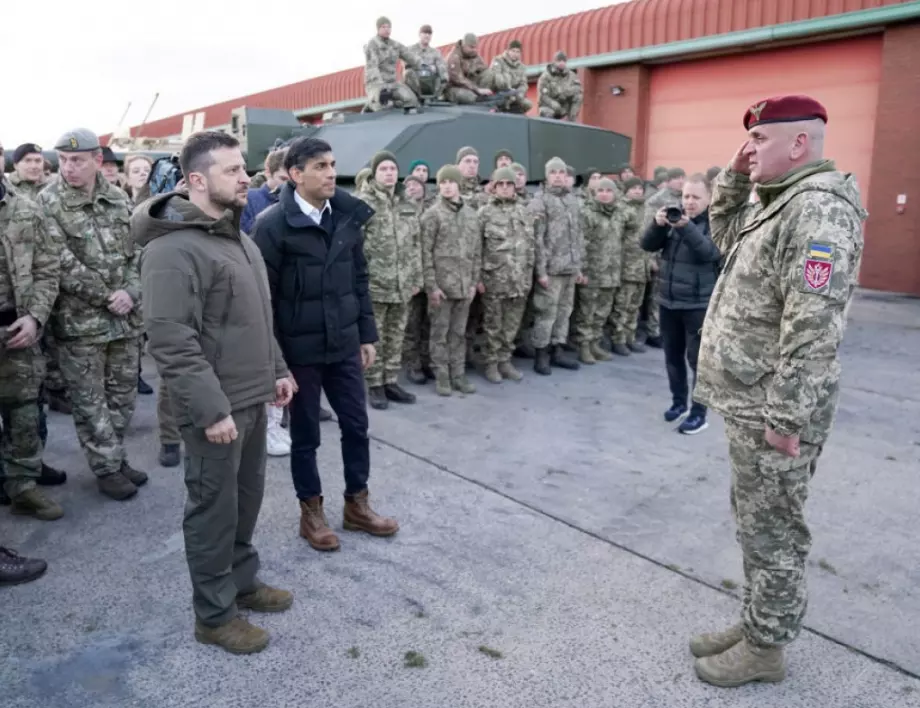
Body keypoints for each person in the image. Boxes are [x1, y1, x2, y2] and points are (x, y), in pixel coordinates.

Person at [691, 96, 866, 687]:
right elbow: (723, 237)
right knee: (754, 522)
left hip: (773, 407)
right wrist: (734, 179)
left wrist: (787, 419)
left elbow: (814, 326)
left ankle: (766, 648)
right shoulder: (780, 203)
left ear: (799, 144)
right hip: (751, 401)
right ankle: (757, 622)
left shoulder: (817, 211)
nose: (749, 148)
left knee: (774, 529)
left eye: (760, 140)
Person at [136, 130, 295, 655]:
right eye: (232, 170)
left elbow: (257, 317)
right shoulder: (172, 250)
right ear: (197, 180)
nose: (245, 176)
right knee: (212, 509)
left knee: (244, 503)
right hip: (217, 410)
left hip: (251, 398)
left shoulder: (238, 240)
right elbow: (172, 340)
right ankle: (213, 615)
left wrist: (277, 369)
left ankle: (241, 582)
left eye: (244, 168)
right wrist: (209, 409)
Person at [252, 137, 400, 553]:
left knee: (356, 425)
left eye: (333, 164)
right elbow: (265, 300)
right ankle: (310, 512)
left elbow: (358, 280)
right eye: (320, 166)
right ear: (296, 174)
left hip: (344, 344)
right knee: (305, 436)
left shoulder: (347, 216)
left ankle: (357, 504)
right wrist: (276, 362)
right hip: (300, 352)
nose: (332, 172)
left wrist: (366, 334)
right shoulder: (271, 225)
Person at [39, 129, 147, 501]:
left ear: (97, 161)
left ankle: (115, 457)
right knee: (89, 402)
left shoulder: (118, 198)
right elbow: (58, 261)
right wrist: (107, 296)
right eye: (64, 160)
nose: (68, 167)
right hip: (79, 324)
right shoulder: (47, 201)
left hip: (125, 319)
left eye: (77, 160)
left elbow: (136, 254)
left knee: (122, 396)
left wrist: (131, 292)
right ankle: (105, 468)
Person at [0, 174, 64, 521]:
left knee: (24, 413)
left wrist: (36, 317)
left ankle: (23, 485)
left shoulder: (27, 209)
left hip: (17, 331)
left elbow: (47, 267)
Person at [640, 173, 720, 434]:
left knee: (698, 362)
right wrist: (657, 224)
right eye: (686, 196)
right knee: (672, 357)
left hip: (697, 305)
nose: (689, 202)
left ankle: (699, 414)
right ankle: (678, 403)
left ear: (709, 199)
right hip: (668, 301)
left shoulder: (716, 223)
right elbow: (646, 244)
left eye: (696, 197)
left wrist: (686, 227)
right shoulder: (673, 220)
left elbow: (708, 253)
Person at [357, 151, 422, 410]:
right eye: (383, 169)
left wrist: (416, 277)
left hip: (402, 283)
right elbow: (354, 247)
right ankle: (374, 384)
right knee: (375, 338)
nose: (388, 173)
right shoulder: (364, 202)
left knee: (396, 335)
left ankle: (391, 380)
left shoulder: (407, 202)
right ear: (374, 173)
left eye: (392, 169)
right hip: (375, 283)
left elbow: (415, 243)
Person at [421, 165, 482, 396]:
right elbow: (425, 253)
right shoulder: (432, 215)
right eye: (442, 182)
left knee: (459, 334)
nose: (446, 186)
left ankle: (458, 375)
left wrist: (474, 282)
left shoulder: (471, 214)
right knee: (439, 335)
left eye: (450, 181)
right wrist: (432, 287)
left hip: (464, 287)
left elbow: (477, 251)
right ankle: (442, 377)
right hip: (442, 288)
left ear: (458, 184)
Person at [528, 157, 585, 374]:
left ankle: (557, 350)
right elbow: (537, 239)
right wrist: (540, 271)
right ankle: (541, 353)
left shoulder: (573, 200)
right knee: (546, 313)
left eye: (562, 172)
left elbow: (578, 235)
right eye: (554, 172)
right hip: (551, 270)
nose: (558, 176)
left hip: (569, 268)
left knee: (564, 312)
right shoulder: (540, 201)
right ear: (547, 176)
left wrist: (578, 266)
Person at [478, 167, 534, 383]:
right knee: (493, 326)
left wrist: (528, 275)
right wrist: (479, 278)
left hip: (519, 279)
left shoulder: (524, 212)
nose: (504, 188)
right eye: (500, 184)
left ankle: (505, 360)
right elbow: (476, 249)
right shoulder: (485, 213)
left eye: (508, 184)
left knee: (511, 326)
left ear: (514, 188)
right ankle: (491, 363)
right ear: (493, 187)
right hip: (494, 280)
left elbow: (530, 247)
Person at [573, 178, 636, 365]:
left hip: (611, 272)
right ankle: (583, 346)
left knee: (602, 312)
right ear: (595, 193)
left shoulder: (620, 214)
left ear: (615, 193)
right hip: (591, 272)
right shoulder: (587, 213)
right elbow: (580, 243)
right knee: (587, 312)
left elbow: (625, 239)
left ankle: (594, 343)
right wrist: (581, 270)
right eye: (601, 190)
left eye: (609, 191)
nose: (604, 194)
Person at [608, 177, 648, 355]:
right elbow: (615, 238)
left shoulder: (645, 209)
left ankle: (630, 337)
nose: (638, 191)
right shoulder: (622, 209)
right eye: (634, 188)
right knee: (622, 306)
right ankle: (618, 339)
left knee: (634, 306)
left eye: (640, 188)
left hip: (642, 266)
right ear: (626, 191)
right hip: (627, 266)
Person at [364, 17, 420, 111]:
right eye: (383, 27)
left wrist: (422, 64)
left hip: (392, 83)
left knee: (411, 101)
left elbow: (409, 55)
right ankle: (370, 105)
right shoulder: (372, 45)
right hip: (375, 84)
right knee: (382, 106)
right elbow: (372, 68)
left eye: (389, 27)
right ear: (378, 29)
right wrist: (381, 88)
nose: (387, 29)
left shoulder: (395, 45)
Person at [240, 148, 289, 235]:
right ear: (268, 173)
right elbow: (244, 234)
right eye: (283, 179)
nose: (288, 185)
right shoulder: (247, 198)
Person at [444, 34, 493, 105]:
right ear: (464, 45)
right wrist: (477, 89)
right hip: (453, 87)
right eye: (471, 47)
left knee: (489, 73)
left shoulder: (473, 54)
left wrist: (476, 70)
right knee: (470, 97)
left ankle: (484, 97)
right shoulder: (454, 57)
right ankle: (479, 99)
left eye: (475, 47)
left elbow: (484, 68)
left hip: (470, 84)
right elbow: (458, 79)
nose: (474, 50)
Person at [405, 24, 448, 101]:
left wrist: (439, 71)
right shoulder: (410, 49)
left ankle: (434, 96)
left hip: (431, 83)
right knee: (408, 72)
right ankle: (420, 97)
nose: (427, 36)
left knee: (443, 74)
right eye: (425, 33)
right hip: (416, 82)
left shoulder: (436, 52)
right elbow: (407, 65)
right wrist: (426, 67)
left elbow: (442, 66)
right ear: (419, 34)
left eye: (429, 34)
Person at [488, 40, 533, 114]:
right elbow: (496, 77)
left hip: (515, 95)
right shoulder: (498, 61)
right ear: (508, 51)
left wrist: (520, 93)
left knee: (527, 104)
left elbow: (523, 84)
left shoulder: (522, 67)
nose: (515, 54)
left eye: (518, 52)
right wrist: (509, 90)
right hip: (500, 92)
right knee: (506, 77)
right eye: (513, 51)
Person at [537, 52, 583, 121]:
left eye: (564, 61)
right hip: (549, 106)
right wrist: (553, 104)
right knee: (547, 114)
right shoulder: (546, 76)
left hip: (564, 105)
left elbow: (578, 89)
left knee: (578, 96)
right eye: (559, 61)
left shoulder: (571, 75)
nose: (562, 63)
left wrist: (566, 93)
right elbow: (543, 96)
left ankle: (572, 120)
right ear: (554, 62)